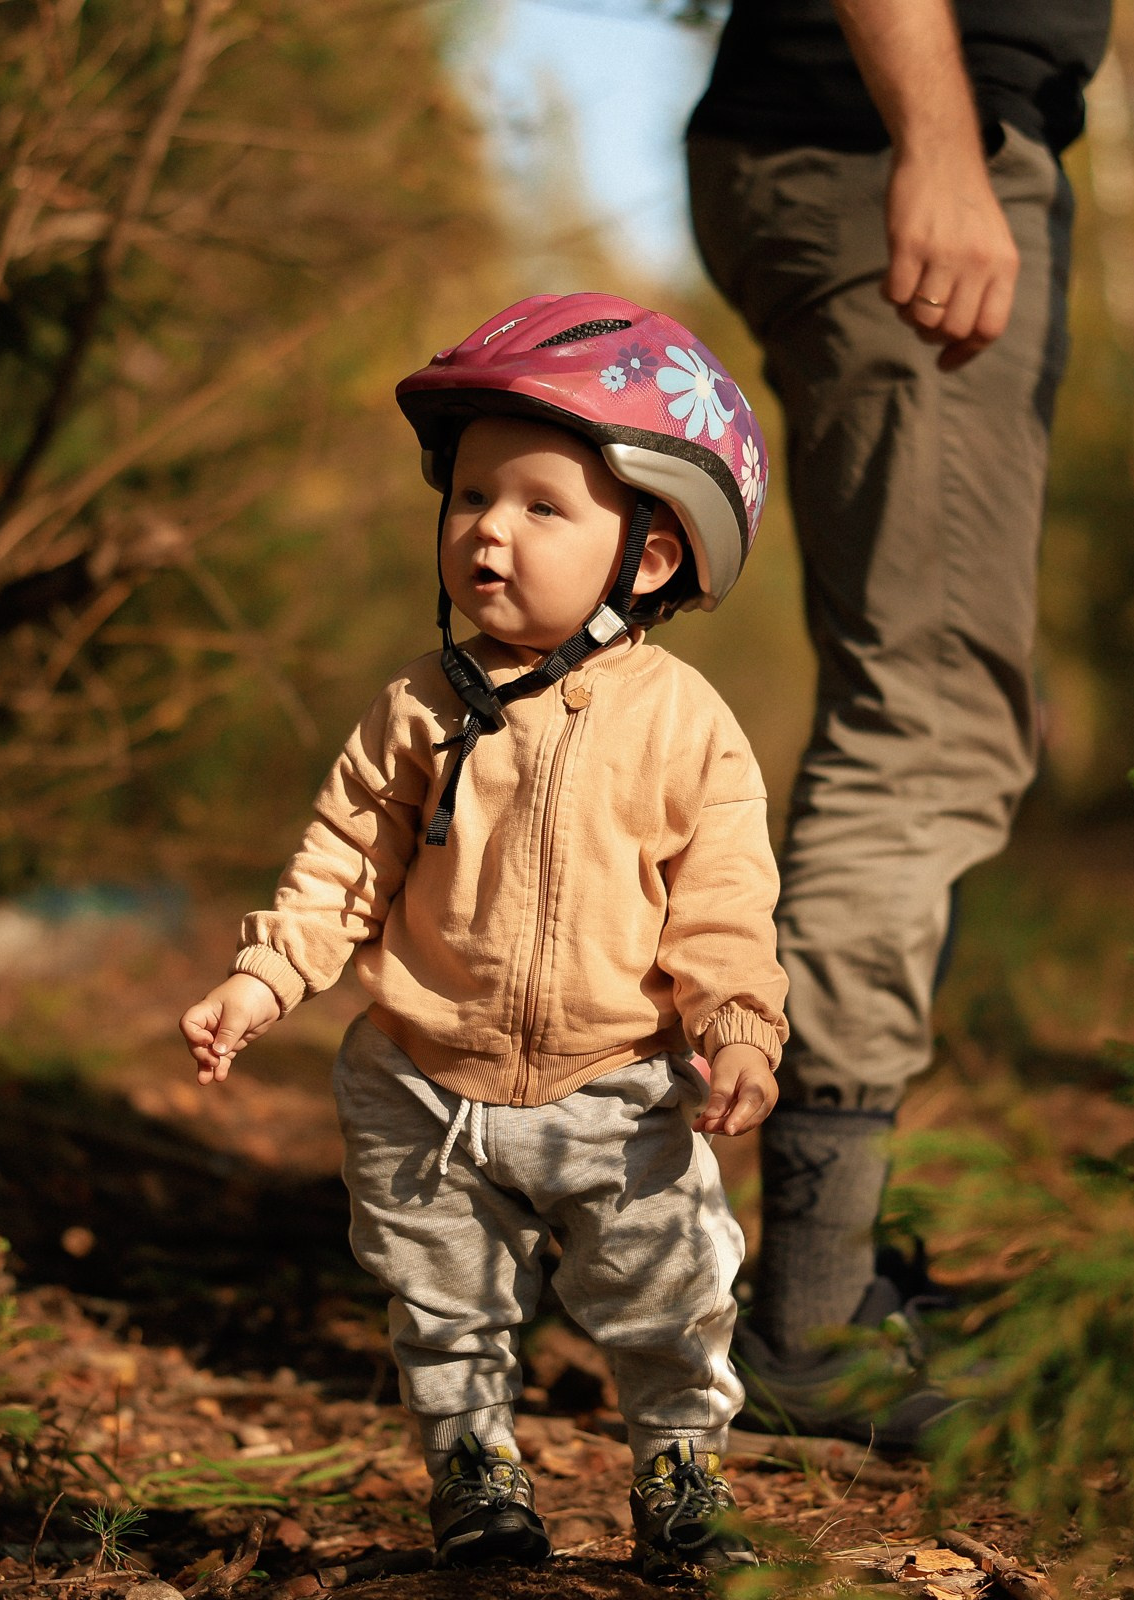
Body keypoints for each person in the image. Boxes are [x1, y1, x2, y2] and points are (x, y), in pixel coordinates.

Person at [178, 293, 789, 1576]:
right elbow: (342, 863)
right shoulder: (416, 707)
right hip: (420, 1081)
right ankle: (475, 1463)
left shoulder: (686, 725)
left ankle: (680, 1468)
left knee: (671, 1292)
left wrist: (737, 1024)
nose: (488, 533)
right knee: (440, 1300)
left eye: (539, 506)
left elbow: (727, 903)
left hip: (617, 1091)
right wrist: (260, 977)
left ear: (656, 555)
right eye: (469, 499)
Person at [685, 0, 1113, 1446]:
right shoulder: (911, 142)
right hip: (887, 139)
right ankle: (808, 1323)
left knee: (926, 701)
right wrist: (936, 140)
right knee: (925, 719)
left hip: (878, 136)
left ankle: (825, 1281)